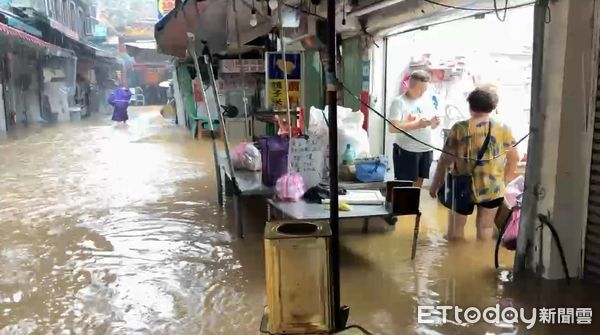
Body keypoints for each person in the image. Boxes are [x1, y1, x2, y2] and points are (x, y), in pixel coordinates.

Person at [429, 85, 519, 241]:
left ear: (470, 105)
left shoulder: (461, 128)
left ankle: (455, 261)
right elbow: (514, 158)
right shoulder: (503, 129)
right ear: (493, 107)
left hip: (462, 186)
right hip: (492, 188)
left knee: (456, 230)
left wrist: (435, 185)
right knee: (486, 227)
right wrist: (504, 182)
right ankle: (480, 260)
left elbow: (445, 160)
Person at [389, 70, 440, 187]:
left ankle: (414, 205)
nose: (422, 93)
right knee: (405, 187)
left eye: (425, 89)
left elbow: (430, 125)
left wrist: (434, 123)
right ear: (410, 86)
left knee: (418, 185)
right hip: (407, 150)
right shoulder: (399, 102)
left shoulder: (427, 99)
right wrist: (417, 124)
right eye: (420, 90)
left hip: (426, 148)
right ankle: (403, 205)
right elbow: (392, 128)